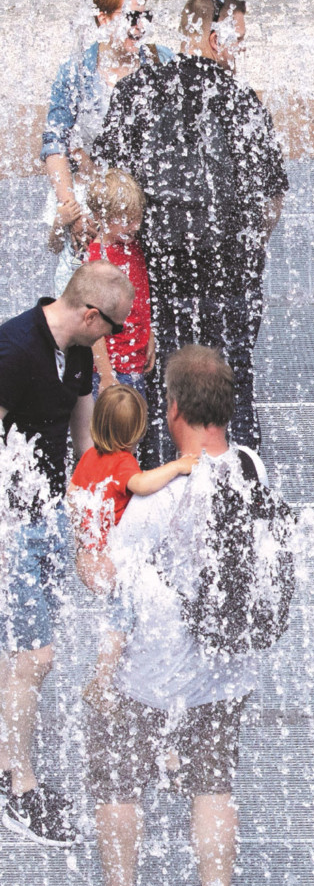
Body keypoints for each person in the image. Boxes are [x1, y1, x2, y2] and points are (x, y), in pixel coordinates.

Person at [68, 345, 273, 886]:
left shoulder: (160, 496)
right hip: (225, 665)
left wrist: (84, 556)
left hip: (151, 670)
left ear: (174, 409)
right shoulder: (250, 468)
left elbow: (112, 580)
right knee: (214, 786)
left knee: (119, 783)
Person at [93, 0, 288, 462]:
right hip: (228, 279)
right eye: (236, 38)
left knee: (159, 395)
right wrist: (249, 249)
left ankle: (155, 490)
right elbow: (273, 198)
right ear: (213, 37)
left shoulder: (136, 91)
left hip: (156, 277)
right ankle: (238, 491)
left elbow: (106, 183)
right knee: (228, 387)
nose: (240, 49)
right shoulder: (242, 102)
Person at [0, 261, 134, 846]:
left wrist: (86, 536)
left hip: (47, 517)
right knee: (34, 658)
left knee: (21, 657)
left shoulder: (76, 353)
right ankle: (17, 785)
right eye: (112, 327)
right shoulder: (12, 352)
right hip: (9, 523)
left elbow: (82, 442)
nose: (113, 340)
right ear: (88, 314)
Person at [41, 0, 171, 295]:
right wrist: (73, 214)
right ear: (102, 18)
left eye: (145, 17)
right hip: (93, 212)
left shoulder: (162, 62)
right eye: (130, 17)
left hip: (147, 216)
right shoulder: (76, 72)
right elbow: (55, 144)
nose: (140, 26)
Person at [68, 384, 197, 704]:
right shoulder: (123, 461)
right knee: (122, 613)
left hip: (86, 556)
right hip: (106, 562)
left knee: (123, 604)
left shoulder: (88, 457)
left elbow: (72, 495)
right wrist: (176, 466)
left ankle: (112, 673)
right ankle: (102, 682)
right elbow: (141, 484)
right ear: (134, 432)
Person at [84, 169, 155, 399]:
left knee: (135, 430)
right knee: (115, 432)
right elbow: (93, 327)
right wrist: (106, 375)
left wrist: (149, 336)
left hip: (135, 361)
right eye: (127, 219)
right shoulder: (98, 260)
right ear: (102, 216)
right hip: (113, 369)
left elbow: (141, 299)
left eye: (137, 217)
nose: (135, 225)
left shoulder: (132, 247)